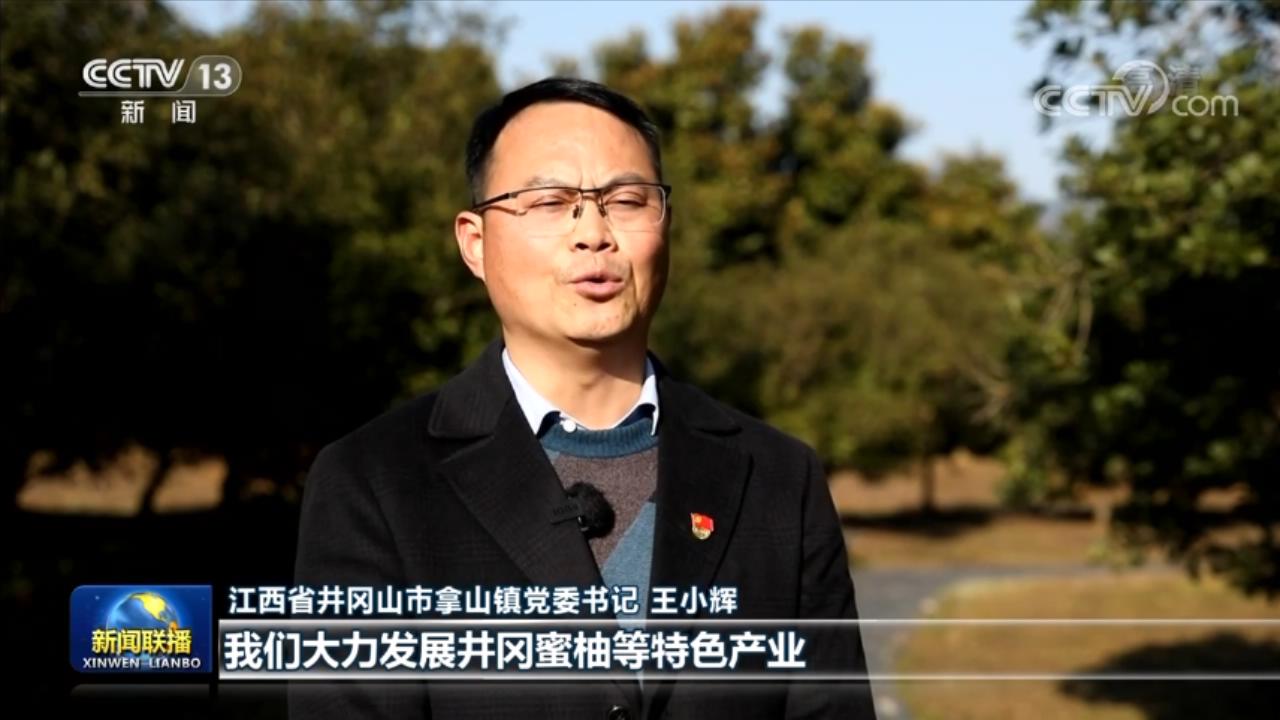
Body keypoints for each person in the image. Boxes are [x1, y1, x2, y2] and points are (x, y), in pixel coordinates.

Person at [289, 77, 876, 720]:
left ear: (666, 227)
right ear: (475, 243)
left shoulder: (778, 478)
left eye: (626, 200)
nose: (593, 233)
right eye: (550, 202)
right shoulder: (375, 481)